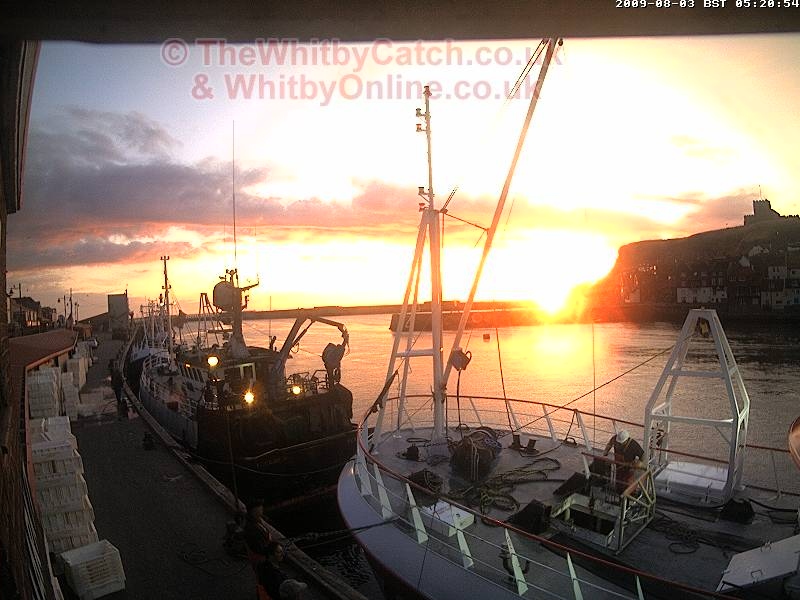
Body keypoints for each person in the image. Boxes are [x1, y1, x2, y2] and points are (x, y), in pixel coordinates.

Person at [243, 498, 271, 568]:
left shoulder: (257, 520)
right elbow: (259, 548)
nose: (262, 511)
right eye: (260, 510)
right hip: (260, 559)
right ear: (254, 512)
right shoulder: (251, 529)